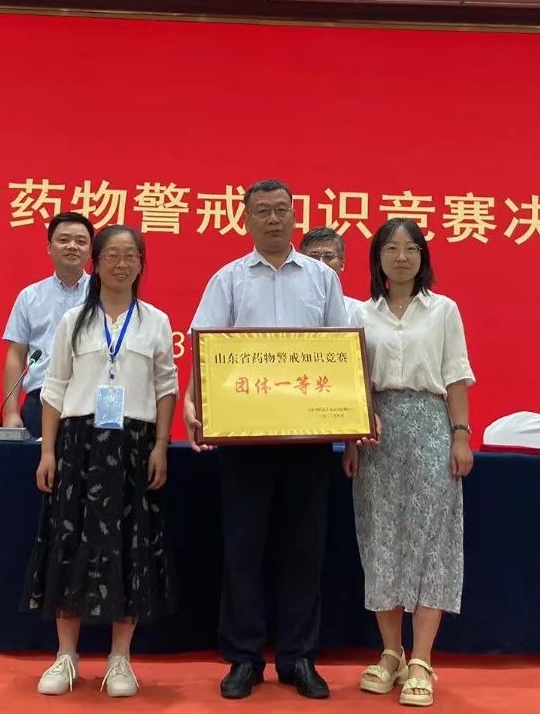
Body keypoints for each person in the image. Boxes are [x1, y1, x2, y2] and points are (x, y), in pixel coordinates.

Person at [184, 180, 350, 701]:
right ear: (246, 219)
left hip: (308, 438)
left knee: (304, 549)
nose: (274, 219)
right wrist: (194, 405)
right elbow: (204, 348)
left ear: (295, 215)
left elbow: (344, 354)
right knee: (244, 548)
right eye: (263, 211)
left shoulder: (322, 278)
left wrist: (354, 424)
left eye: (281, 210)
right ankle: (244, 657)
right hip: (245, 439)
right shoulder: (228, 279)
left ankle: (299, 657)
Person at [23, 225, 178, 698]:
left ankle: (120, 659)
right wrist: (47, 451)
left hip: (134, 445)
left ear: (141, 264)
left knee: (130, 546)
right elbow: (54, 389)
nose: (121, 263)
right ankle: (66, 656)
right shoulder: (74, 321)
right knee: (69, 543)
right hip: (79, 445)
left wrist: (161, 444)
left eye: (131, 255)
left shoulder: (155, 320)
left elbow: (166, 387)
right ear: (96, 263)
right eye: (112, 255)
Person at [342, 218, 474, 707]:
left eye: (411, 248)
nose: (401, 257)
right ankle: (390, 652)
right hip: (376, 434)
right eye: (391, 248)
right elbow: (355, 381)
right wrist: (352, 440)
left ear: (423, 257)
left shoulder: (443, 310)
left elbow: (456, 376)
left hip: (430, 426)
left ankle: (421, 659)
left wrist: (461, 435)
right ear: (377, 258)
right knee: (380, 539)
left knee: (432, 542)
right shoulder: (360, 313)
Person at [1, 212, 95, 438]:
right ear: (49, 247)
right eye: (63, 240)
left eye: (81, 241)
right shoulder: (30, 296)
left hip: (90, 400)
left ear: (90, 250)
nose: (72, 246)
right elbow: (16, 354)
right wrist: (10, 412)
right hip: (40, 399)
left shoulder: (104, 294)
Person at [299, 226, 366, 319]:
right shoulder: (290, 306)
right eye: (313, 257)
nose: (321, 264)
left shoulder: (358, 312)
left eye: (328, 256)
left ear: (342, 264)